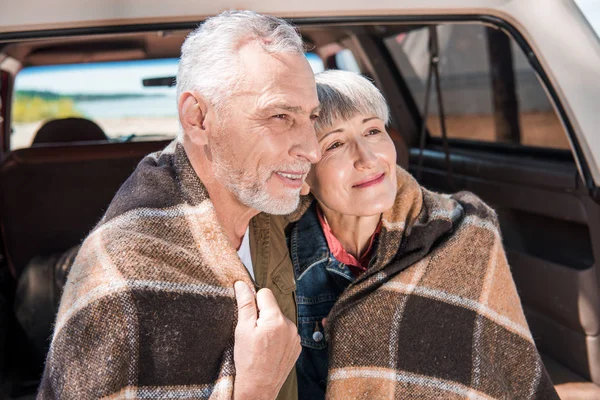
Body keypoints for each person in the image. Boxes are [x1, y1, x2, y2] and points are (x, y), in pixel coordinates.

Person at [38, 11, 321, 400]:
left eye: (312, 117)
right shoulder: (121, 276)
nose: (312, 148)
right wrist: (257, 389)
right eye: (281, 116)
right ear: (198, 118)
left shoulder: (281, 209)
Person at [288, 70, 560, 399]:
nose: (368, 158)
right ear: (303, 175)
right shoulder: (273, 252)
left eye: (373, 130)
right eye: (335, 144)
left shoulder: (464, 231)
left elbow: (502, 373)